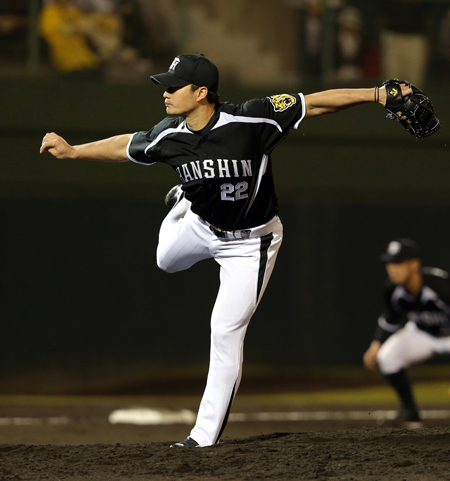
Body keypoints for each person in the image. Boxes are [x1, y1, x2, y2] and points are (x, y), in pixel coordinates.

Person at [40, 53, 412, 447]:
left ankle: (202, 438)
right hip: (201, 227)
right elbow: (126, 145)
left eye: (173, 86)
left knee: (224, 332)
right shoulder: (170, 134)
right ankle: (184, 197)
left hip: (252, 243)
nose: (165, 93)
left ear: (201, 93)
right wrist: (75, 151)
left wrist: (376, 94)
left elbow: (316, 101)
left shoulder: (252, 119)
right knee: (165, 260)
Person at [363, 238, 450, 428]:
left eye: (398, 263)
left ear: (415, 264)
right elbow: (392, 318)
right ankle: (410, 411)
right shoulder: (392, 288)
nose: (392, 268)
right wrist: (376, 344)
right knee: (387, 356)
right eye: (389, 263)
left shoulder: (441, 286)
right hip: (422, 333)